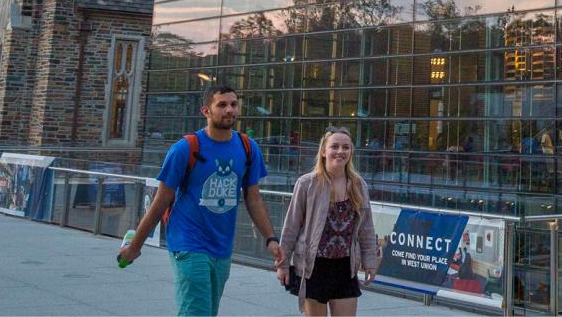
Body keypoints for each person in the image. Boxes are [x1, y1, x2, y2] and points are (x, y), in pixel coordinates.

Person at [118, 86, 282, 316]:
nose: (229, 110)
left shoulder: (247, 148)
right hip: (188, 242)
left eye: (233, 104)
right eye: (222, 105)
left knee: (208, 311)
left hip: (222, 246)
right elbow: (160, 202)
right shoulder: (185, 149)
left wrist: (270, 239)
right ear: (206, 110)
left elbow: (253, 199)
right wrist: (135, 247)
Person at [278, 127, 378, 315]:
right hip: (313, 268)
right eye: (335, 146)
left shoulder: (358, 185)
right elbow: (291, 226)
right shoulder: (307, 183)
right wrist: (283, 264)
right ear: (324, 151)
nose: (340, 151)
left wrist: (369, 261)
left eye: (346, 147)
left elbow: (367, 228)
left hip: (345, 269)